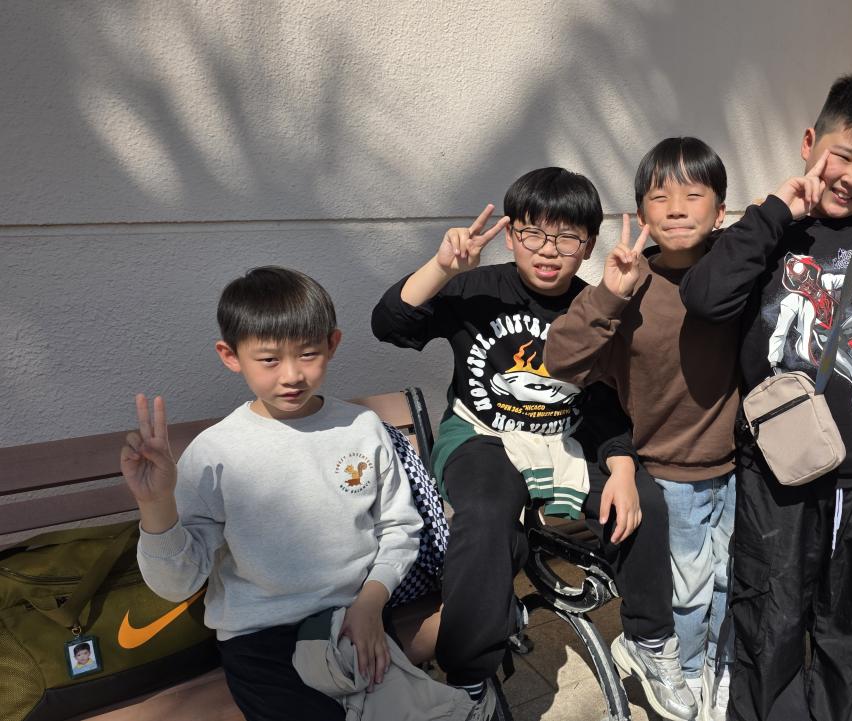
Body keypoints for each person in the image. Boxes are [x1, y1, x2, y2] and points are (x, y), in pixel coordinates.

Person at [371, 167, 695, 721]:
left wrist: (621, 469)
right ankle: (469, 677)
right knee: (487, 512)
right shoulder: (477, 289)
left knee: (644, 499)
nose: (548, 250)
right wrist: (441, 268)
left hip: (563, 438)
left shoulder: (596, 305)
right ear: (511, 233)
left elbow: (604, 403)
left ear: (588, 244)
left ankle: (649, 641)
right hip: (483, 435)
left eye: (567, 238)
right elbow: (389, 324)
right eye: (532, 233)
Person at [679, 75, 852, 721]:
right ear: (808, 143)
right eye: (841, 155)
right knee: (766, 618)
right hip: (776, 473)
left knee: (850, 625)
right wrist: (775, 211)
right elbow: (704, 298)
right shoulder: (765, 236)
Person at [120, 266, 422, 721]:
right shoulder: (215, 452)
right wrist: (156, 504)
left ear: (333, 344)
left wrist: (370, 603)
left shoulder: (362, 428)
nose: (292, 375)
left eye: (308, 354)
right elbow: (177, 584)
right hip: (261, 639)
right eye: (269, 360)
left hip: (356, 616)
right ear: (230, 355)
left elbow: (400, 527)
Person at [544, 137, 739, 720]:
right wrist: (609, 293)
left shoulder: (738, 274)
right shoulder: (631, 285)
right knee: (686, 590)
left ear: (720, 211)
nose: (676, 208)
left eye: (693, 195)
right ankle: (682, 672)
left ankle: (716, 669)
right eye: (660, 197)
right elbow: (561, 360)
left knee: (730, 580)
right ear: (641, 213)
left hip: (738, 466)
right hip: (667, 470)